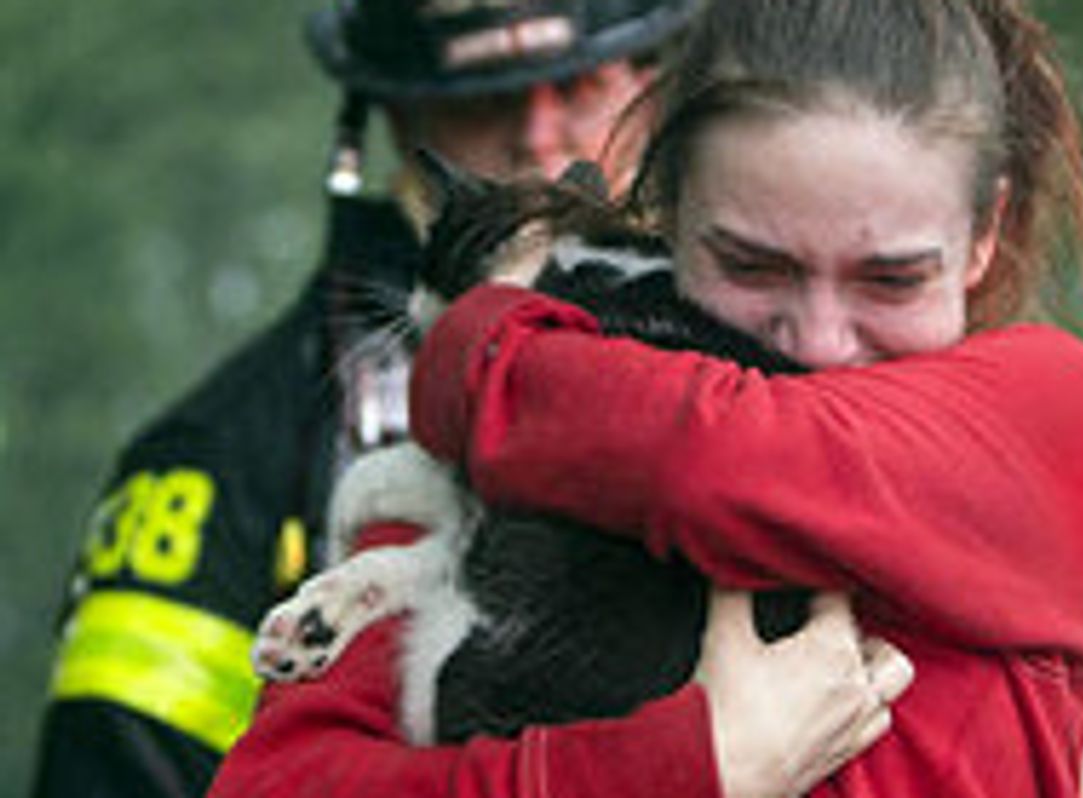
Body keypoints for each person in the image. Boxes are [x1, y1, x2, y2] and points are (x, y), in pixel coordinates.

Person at [211, 0, 1083, 796]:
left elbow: (717, 459)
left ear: (985, 235)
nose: (819, 342)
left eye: (891, 280)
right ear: (665, 208)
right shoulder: (494, 462)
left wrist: (478, 349)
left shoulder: (1054, 418)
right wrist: (683, 765)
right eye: (750, 264)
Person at [29, 1, 710, 796]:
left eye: (584, 84)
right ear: (394, 111)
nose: (538, 136)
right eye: (486, 97)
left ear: (657, 86)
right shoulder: (219, 456)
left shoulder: (800, 334)